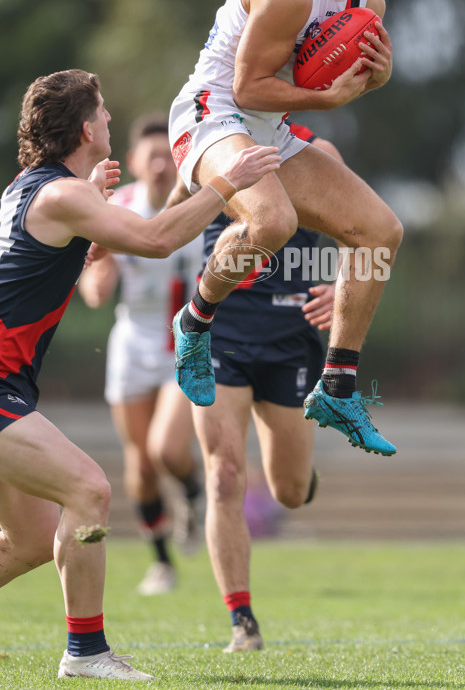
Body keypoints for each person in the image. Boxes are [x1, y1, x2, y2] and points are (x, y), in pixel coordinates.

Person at [0, 69, 280, 681]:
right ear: (83, 128)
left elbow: (66, 241)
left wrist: (90, 195)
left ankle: (87, 651)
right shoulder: (62, 196)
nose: (109, 121)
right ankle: (87, 654)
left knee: (25, 541)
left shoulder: (35, 187)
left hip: (10, 385)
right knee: (91, 492)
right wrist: (229, 182)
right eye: (101, 113)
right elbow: (155, 240)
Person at [169, 0, 409, 456]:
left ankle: (338, 385)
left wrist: (379, 76)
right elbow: (248, 88)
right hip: (210, 114)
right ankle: (195, 323)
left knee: (380, 232)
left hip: (265, 127)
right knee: (272, 222)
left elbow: (341, 77)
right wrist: (326, 99)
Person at [164, 122, 338, 652]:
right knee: (224, 474)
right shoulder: (209, 149)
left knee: (289, 491)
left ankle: (295, 469)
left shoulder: (318, 152)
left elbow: (366, 232)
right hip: (222, 331)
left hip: (291, 338)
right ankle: (243, 620)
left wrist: (342, 284)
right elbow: (168, 222)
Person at [78, 113, 205, 598]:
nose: (159, 164)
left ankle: (192, 497)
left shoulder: (198, 203)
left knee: (166, 449)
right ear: (132, 162)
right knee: (140, 466)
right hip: (132, 340)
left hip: (183, 341)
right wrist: (97, 282)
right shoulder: (117, 206)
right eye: (149, 155)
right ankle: (161, 564)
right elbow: (93, 276)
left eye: (166, 155)